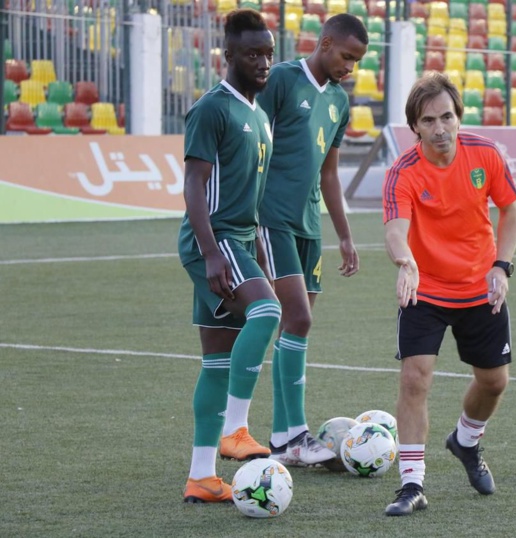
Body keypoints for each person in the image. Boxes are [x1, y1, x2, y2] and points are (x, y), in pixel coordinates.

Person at [381, 72, 516, 516]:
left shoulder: (485, 154)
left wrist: (502, 265)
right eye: (429, 120)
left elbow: (511, 210)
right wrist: (406, 263)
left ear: (459, 117)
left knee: (494, 382)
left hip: (481, 286)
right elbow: (395, 231)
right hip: (425, 287)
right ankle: (411, 485)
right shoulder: (402, 172)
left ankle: (465, 441)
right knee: (414, 378)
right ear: (416, 127)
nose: (440, 128)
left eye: (447, 116)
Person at [255, 13, 368, 466]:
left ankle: (284, 441)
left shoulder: (339, 100)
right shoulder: (282, 80)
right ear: (324, 43)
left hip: (308, 224)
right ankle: (294, 435)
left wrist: (343, 234)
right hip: (272, 218)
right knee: (297, 317)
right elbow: (250, 145)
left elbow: (329, 173)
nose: (350, 67)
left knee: (295, 327)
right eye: (346, 56)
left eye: (357, 61)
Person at [178, 9, 279, 503]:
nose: (262, 62)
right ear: (229, 56)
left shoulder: (260, 117)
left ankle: (201, 476)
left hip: (240, 241)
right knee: (267, 313)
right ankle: (235, 430)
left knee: (217, 361)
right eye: (252, 53)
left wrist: (257, 244)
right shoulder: (212, 108)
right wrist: (212, 251)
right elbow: (194, 184)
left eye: (268, 54)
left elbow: (250, 193)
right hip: (216, 241)